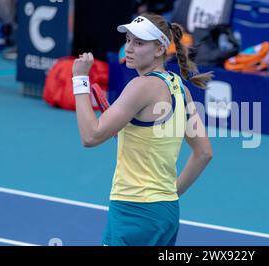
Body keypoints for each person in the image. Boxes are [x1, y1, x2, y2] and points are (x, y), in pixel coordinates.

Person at [72, 13, 213, 246]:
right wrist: (170, 195)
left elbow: (90, 136)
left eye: (139, 43)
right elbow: (204, 152)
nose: (129, 48)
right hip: (166, 213)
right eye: (128, 40)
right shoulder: (180, 88)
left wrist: (80, 79)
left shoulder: (141, 86)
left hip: (133, 211)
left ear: (159, 50)